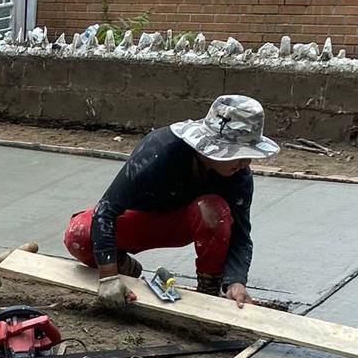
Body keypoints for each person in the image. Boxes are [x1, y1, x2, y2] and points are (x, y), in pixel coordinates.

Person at [63, 94, 279, 310]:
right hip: (138, 218)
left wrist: (235, 281)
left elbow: (240, 235)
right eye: (239, 154)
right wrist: (108, 277)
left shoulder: (239, 175)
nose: (246, 162)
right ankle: (123, 267)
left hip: (183, 224)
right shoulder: (160, 150)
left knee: (213, 209)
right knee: (79, 235)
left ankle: (209, 293)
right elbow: (107, 210)